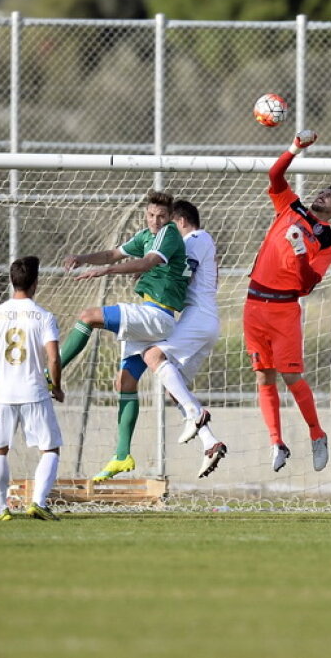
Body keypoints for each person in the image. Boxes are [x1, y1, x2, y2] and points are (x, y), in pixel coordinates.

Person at [57, 190, 189, 482]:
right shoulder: (145, 235)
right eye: (151, 215)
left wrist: (105, 271)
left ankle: (50, 373)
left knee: (88, 316)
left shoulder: (168, 234)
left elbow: (146, 263)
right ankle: (121, 455)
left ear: (170, 218)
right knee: (124, 381)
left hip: (158, 315)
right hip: (151, 316)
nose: (155, 220)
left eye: (162, 216)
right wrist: (82, 258)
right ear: (146, 213)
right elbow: (113, 253)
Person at [244, 129, 331, 472]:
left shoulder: (327, 241)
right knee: (263, 377)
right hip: (254, 303)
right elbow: (275, 175)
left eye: (330, 196)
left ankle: (317, 434)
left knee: (290, 377)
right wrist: (295, 148)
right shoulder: (291, 204)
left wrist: (301, 252)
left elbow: (308, 284)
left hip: (284, 309)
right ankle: (276, 442)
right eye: (322, 191)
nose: (323, 195)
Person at [140, 199, 228, 479]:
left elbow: (184, 273)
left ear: (179, 223)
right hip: (205, 319)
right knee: (173, 385)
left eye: (168, 226)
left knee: (153, 356)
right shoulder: (203, 241)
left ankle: (196, 412)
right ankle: (210, 443)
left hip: (198, 316)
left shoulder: (194, 240)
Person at [0, 256, 65, 521]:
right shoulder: (44, 316)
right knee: (50, 449)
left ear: (12, 281)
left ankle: (0, 509)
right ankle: (37, 502)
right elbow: (54, 358)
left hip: (2, 394)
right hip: (35, 393)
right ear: (36, 282)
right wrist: (57, 387)